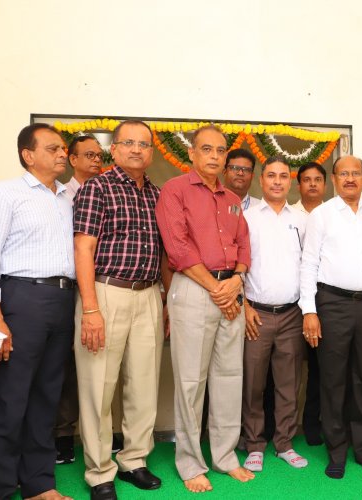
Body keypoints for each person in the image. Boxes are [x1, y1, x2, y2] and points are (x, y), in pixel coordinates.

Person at [0, 123, 76, 500]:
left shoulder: (66, 197)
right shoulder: (5, 193)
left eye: (63, 148)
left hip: (62, 301)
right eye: (53, 148)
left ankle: (39, 485)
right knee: (10, 400)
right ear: (29, 155)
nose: (63, 154)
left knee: (46, 398)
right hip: (20, 300)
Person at [156, 124, 254, 493]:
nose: (215, 156)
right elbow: (177, 248)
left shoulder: (232, 198)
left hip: (231, 289)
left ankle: (225, 457)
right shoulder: (175, 190)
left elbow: (244, 244)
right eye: (207, 149)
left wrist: (237, 280)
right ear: (192, 154)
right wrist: (218, 289)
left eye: (220, 150)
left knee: (230, 378)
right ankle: (190, 463)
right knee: (190, 381)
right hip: (196, 289)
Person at [74, 120, 166, 500]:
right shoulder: (97, 188)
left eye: (143, 144)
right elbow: (83, 250)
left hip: (148, 295)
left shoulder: (157, 195)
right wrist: (91, 310)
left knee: (144, 384)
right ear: (114, 149)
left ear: (151, 152)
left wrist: (164, 301)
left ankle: (134, 460)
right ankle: (99, 472)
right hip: (105, 293)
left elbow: (165, 255)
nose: (135, 150)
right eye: (127, 143)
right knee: (98, 386)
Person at [299, 155, 362, 479]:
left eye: (355, 173)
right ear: (334, 178)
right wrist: (310, 311)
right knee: (333, 379)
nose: (349, 179)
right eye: (343, 173)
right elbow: (309, 265)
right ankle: (336, 453)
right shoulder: (322, 215)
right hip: (333, 304)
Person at [54, 134, 125, 465]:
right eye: (89, 155)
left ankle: (112, 435)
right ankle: (65, 434)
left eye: (100, 155)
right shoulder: (60, 196)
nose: (97, 161)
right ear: (72, 159)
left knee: (109, 366)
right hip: (65, 287)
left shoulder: (111, 191)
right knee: (69, 367)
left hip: (100, 287)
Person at [241, 156, 309, 472]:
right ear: (261, 180)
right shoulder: (247, 217)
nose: (277, 181)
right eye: (271, 176)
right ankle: (254, 444)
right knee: (253, 384)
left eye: (284, 176)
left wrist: (308, 309)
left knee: (288, 383)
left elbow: (310, 266)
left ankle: (284, 443)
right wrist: (243, 306)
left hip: (292, 314)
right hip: (257, 314)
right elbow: (236, 267)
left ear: (290, 181)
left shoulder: (302, 219)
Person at [290, 161, 328, 445]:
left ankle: (315, 428)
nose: (313, 184)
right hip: (290, 302)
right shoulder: (288, 214)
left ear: (325, 184)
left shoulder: (335, 214)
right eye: (307, 179)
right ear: (298, 184)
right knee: (285, 369)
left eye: (318, 179)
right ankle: (278, 431)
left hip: (325, 303)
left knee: (321, 367)